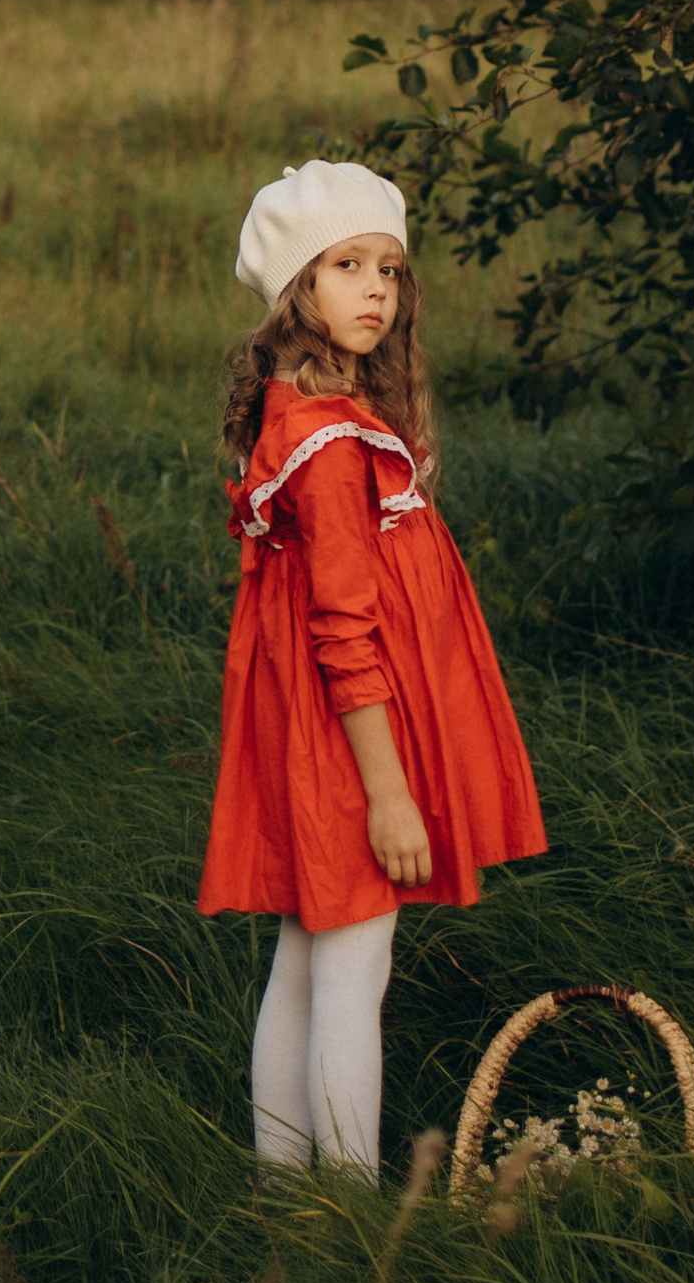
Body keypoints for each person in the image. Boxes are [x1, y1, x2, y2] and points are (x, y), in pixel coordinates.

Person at [197, 158, 546, 1178]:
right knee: (354, 967)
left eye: (387, 268)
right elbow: (343, 631)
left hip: (319, 728)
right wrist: (390, 798)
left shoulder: (303, 416)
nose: (375, 289)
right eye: (346, 265)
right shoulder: (333, 448)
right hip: (352, 739)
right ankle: (345, 1206)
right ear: (296, 289)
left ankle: (285, 1191)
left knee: (306, 958)